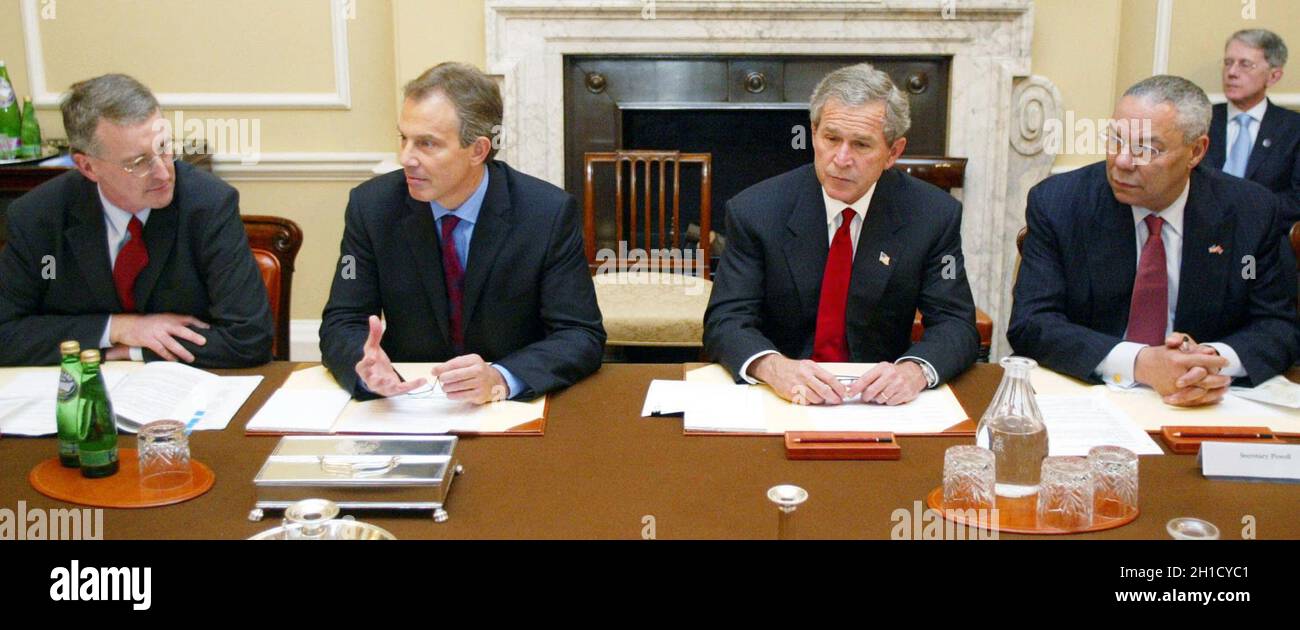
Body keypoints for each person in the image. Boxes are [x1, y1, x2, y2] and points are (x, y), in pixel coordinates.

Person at [319, 62, 605, 403]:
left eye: (427, 144)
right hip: (408, 402)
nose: (406, 157)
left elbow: (579, 334)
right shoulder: (371, 208)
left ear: (478, 150)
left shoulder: (546, 214)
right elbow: (342, 319)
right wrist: (368, 371)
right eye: (404, 138)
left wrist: (501, 377)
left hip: (510, 411)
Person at [1009, 75, 1299, 407]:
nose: (1122, 162)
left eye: (1145, 149)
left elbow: (1277, 326)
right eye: (1115, 140)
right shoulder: (1061, 203)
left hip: (1211, 400)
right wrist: (1140, 362)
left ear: (1196, 151)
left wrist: (1209, 360)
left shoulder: (1251, 211)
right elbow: (1031, 324)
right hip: (1094, 394)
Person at [702, 62, 979, 407]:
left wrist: (913, 371)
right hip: (782, 397)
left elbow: (956, 323)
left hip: (878, 402)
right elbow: (725, 322)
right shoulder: (756, 211)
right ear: (814, 132)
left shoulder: (932, 215)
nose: (841, 159)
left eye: (861, 145)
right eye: (831, 138)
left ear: (893, 152)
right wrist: (774, 368)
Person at [0, 74, 273, 367]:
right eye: (138, 162)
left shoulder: (208, 205)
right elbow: (6, 331)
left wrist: (129, 351)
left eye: (164, 147)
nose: (163, 173)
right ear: (87, 166)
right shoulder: (40, 216)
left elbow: (250, 338)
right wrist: (118, 329)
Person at [1207, 29, 1300, 230]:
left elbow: (1297, 200)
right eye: (1228, 62)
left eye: (1245, 64)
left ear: (1274, 76)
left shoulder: (1294, 129)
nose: (1231, 72)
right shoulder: (1203, 120)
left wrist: (1244, 209)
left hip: (1267, 237)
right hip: (1202, 232)